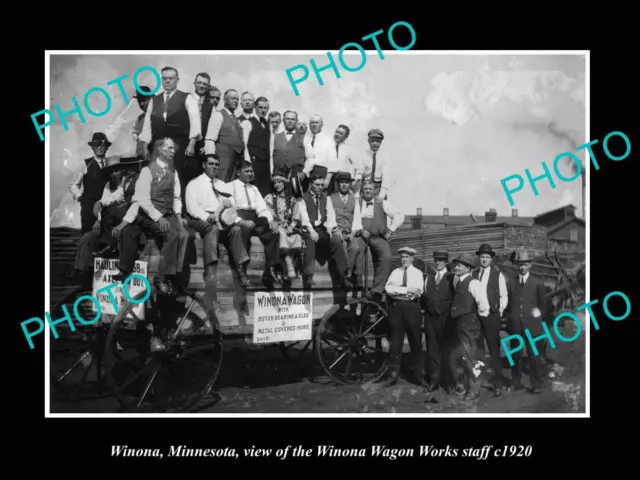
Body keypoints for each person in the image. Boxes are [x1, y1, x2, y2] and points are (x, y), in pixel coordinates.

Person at [115, 138, 189, 297]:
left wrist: (178, 215)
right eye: (169, 148)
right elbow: (142, 199)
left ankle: (172, 275)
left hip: (168, 214)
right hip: (148, 214)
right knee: (172, 234)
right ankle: (160, 277)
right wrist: (159, 218)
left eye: (174, 148)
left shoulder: (173, 172)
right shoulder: (147, 171)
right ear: (160, 149)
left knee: (184, 234)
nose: (173, 151)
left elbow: (177, 198)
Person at [137, 67, 202, 204]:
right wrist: (144, 146)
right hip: (158, 147)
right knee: (157, 177)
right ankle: (159, 210)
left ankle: (178, 212)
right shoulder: (155, 100)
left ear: (177, 80)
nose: (167, 81)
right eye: (164, 78)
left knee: (177, 177)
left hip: (178, 146)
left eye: (170, 78)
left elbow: (195, 122)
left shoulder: (187, 98)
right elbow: (148, 124)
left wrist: (191, 144)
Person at [185, 153, 234, 316]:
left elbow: (232, 204)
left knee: (237, 230)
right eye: (211, 164)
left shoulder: (222, 185)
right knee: (211, 229)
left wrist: (228, 203)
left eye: (216, 164)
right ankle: (210, 279)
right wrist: (208, 217)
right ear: (204, 165)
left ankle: (240, 270)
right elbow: (192, 208)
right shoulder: (194, 184)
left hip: (220, 219)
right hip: (199, 219)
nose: (214, 167)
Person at [382, 247, 428, 390]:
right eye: (402, 257)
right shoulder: (395, 272)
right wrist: (407, 290)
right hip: (396, 308)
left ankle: (419, 375)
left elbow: (418, 291)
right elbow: (388, 289)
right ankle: (392, 375)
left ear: (412, 258)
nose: (404, 260)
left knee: (416, 341)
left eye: (407, 257)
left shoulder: (418, 273)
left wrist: (399, 290)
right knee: (395, 342)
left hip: (412, 308)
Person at [352, 179, 404, 302]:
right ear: (362, 190)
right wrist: (359, 231)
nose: (368, 191)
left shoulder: (383, 203)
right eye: (365, 189)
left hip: (378, 237)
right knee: (356, 249)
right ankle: (356, 283)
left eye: (370, 189)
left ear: (375, 191)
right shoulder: (356, 203)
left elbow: (399, 215)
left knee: (386, 257)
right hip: (361, 236)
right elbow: (352, 220)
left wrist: (390, 230)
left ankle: (377, 291)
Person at [299, 174, 350, 298]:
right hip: (307, 229)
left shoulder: (326, 199)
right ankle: (308, 275)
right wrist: (311, 230)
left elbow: (330, 217)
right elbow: (303, 217)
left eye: (322, 185)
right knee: (310, 240)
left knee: (337, 241)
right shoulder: (303, 198)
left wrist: (333, 229)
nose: (320, 187)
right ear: (311, 184)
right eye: (317, 185)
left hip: (321, 229)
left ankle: (344, 275)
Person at [448, 253, 491, 401]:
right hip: (458, 325)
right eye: (456, 264)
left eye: (460, 265)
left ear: (468, 267)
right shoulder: (458, 282)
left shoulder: (474, 283)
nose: (457, 267)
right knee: (460, 357)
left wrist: (474, 321)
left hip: (469, 326)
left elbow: (484, 306)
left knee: (471, 358)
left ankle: (475, 389)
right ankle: (463, 385)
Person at [504, 248, 547, 394]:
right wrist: (510, 317)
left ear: (530, 265)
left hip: (532, 326)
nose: (522, 267)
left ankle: (536, 384)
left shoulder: (537, 283)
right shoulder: (511, 283)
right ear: (517, 266)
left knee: (534, 356)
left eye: (525, 264)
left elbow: (543, 306)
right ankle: (516, 382)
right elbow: (507, 303)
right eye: (520, 264)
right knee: (516, 355)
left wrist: (537, 316)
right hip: (515, 325)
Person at [472, 243, 509, 395]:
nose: (484, 260)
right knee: (477, 350)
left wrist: (499, 311)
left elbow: (504, 296)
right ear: (478, 258)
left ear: (491, 259)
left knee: (494, 350)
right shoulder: (473, 274)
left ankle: (498, 381)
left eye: (487, 257)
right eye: (482, 257)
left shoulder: (497, 275)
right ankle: (480, 379)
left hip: (491, 317)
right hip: (476, 318)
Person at [264, 167, 307, 284]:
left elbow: (297, 217)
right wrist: (275, 224)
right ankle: (288, 264)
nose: (277, 185)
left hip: (289, 227)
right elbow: (267, 214)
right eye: (275, 183)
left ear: (284, 183)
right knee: (281, 234)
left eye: (279, 182)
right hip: (276, 227)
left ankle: (291, 269)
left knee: (296, 237)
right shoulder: (269, 198)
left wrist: (291, 226)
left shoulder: (292, 200)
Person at [421, 251, 456, 393]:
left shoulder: (452, 278)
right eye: (436, 260)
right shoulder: (428, 279)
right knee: (432, 350)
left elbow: (456, 298)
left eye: (441, 260)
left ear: (446, 262)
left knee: (447, 351)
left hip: (446, 319)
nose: (437, 263)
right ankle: (434, 381)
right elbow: (424, 299)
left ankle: (449, 383)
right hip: (430, 319)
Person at [69, 132, 112, 235]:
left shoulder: (112, 165)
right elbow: (74, 185)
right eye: (97, 144)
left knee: (106, 238)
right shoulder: (85, 165)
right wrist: (80, 197)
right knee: (87, 237)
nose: (101, 147)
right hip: (88, 210)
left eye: (104, 145)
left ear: (107, 148)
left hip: (106, 208)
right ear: (92, 147)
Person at [204, 89, 246, 183]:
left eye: (237, 99)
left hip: (236, 160)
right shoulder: (218, 115)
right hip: (222, 159)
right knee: (220, 185)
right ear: (225, 100)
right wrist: (210, 161)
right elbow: (210, 139)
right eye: (232, 98)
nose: (235, 101)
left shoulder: (237, 120)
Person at [329, 171, 362, 289]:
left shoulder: (354, 201)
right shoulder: (330, 198)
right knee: (341, 245)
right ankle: (344, 277)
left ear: (350, 184)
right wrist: (335, 229)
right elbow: (329, 217)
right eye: (342, 182)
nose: (344, 185)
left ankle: (344, 277)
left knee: (355, 247)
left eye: (346, 183)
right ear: (338, 184)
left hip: (349, 232)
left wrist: (353, 233)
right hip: (336, 232)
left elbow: (357, 220)